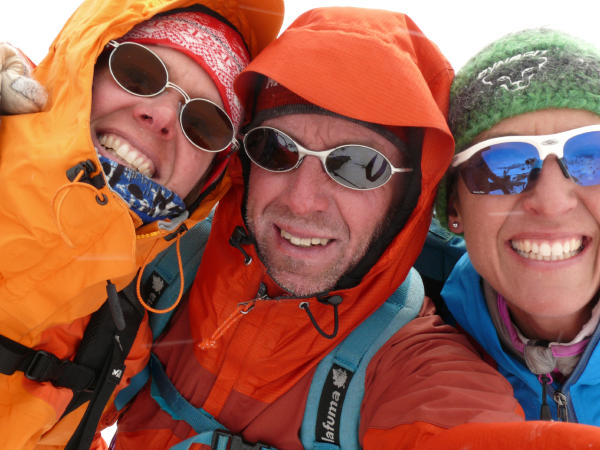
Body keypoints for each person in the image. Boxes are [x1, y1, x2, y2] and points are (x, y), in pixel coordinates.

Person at [110, 9, 600, 449]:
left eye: (359, 166)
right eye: (277, 149)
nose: (302, 199)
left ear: (408, 198)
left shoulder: (415, 364)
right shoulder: (157, 261)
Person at [0, 0, 283, 448]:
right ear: (86, 68)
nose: (162, 116)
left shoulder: (117, 340)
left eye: (203, 124)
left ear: (211, 176)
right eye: (138, 74)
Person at [436, 28, 600, 424]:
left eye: (591, 156)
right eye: (502, 164)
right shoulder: (404, 358)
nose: (552, 203)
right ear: (454, 206)